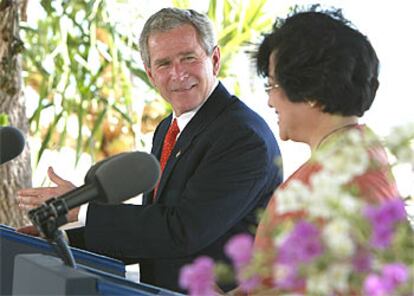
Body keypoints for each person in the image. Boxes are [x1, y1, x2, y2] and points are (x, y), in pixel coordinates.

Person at [17, 8, 282, 293]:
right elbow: (152, 230)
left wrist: (80, 209)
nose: (178, 74)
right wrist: (60, 241)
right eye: (164, 63)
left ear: (214, 60)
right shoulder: (168, 127)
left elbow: (181, 231)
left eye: (188, 58)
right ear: (150, 73)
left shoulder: (242, 136)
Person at [245, 6, 400, 294]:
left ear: (310, 91)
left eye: (272, 85)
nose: (269, 101)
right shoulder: (361, 149)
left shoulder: (332, 183)